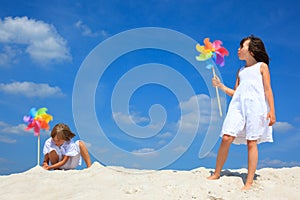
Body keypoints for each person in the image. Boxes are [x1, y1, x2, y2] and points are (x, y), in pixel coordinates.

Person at [207, 35, 276, 190]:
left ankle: (249, 181)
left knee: (252, 142)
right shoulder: (241, 71)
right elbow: (237, 92)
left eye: (242, 46)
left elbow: (267, 89)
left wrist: (272, 110)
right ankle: (217, 173)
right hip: (238, 106)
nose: (238, 49)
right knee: (226, 137)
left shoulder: (262, 67)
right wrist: (220, 86)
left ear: (252, 51)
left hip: (256, 107)